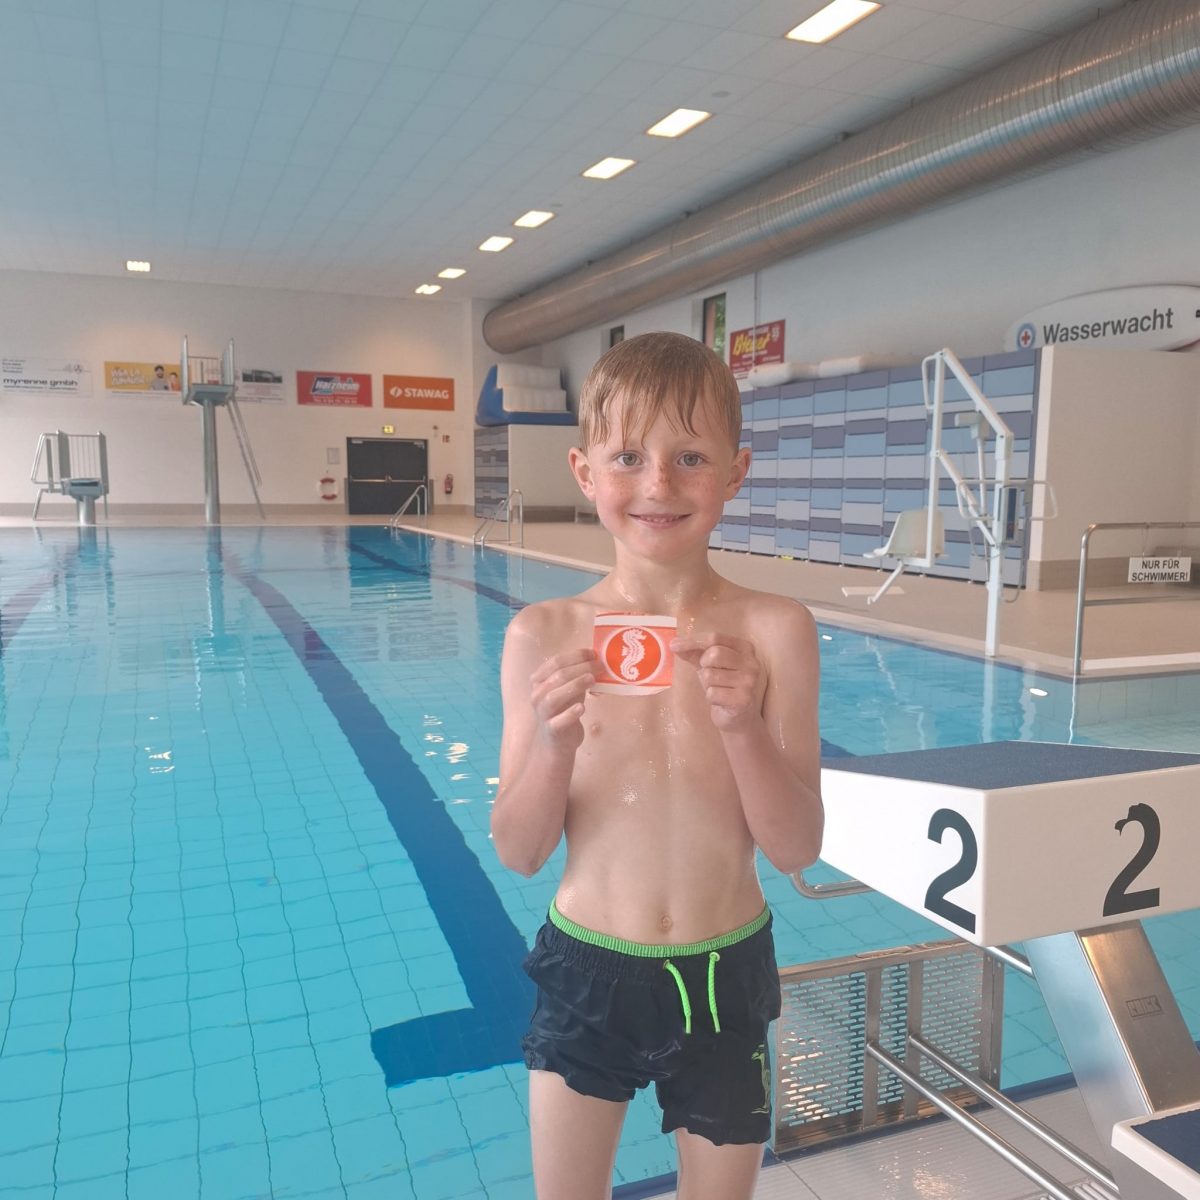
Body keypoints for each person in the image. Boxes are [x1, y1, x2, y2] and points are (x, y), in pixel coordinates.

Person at [492, 331, 823, 1200]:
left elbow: (796, 848)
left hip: (725, 972)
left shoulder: (776, 630)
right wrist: (555, 744)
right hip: (587, 968)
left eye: (690, 457)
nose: (658, 485)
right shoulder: (541, 635)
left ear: (736, 472)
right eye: (629, 457)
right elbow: (519, 852)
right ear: (584, 471)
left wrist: (743, 728)